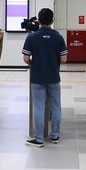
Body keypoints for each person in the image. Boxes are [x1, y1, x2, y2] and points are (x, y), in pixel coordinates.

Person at [22, 8, 68, 147]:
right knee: (56, 106)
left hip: (37, 77)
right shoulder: (58, 37)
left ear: (39, 20)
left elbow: (25, 58)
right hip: (54, 76)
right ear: (52, 20)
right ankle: (54, 135)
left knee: (39, 106)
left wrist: (34, 63)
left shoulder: (32, 37)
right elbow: (64, 59)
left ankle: (39, 138)